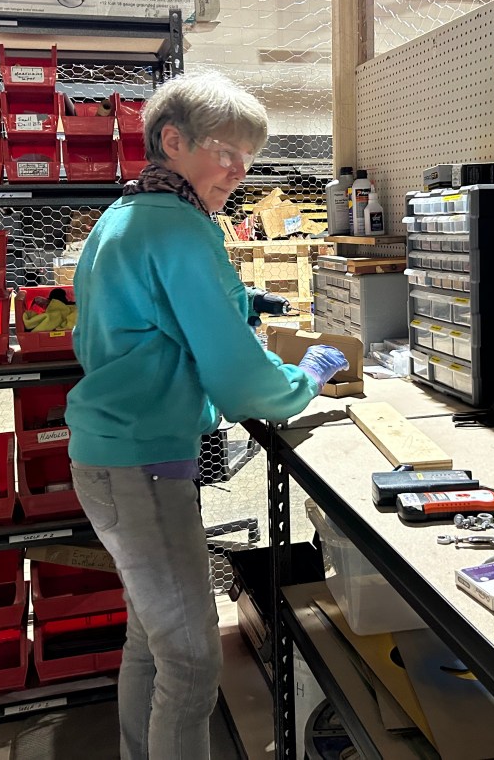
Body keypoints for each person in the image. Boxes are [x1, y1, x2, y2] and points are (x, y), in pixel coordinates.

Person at [65, 70, 348, 760]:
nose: (239, 169)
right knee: (192, 661)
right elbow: (241, 384)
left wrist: (241, 302)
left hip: (105, 457)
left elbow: (141, 312)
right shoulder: (186, 229)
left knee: (152, 641)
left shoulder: (126, 214)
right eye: (226, 150)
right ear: (172, 140)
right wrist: (305, 378)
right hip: (145, 469)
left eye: (248, 155)